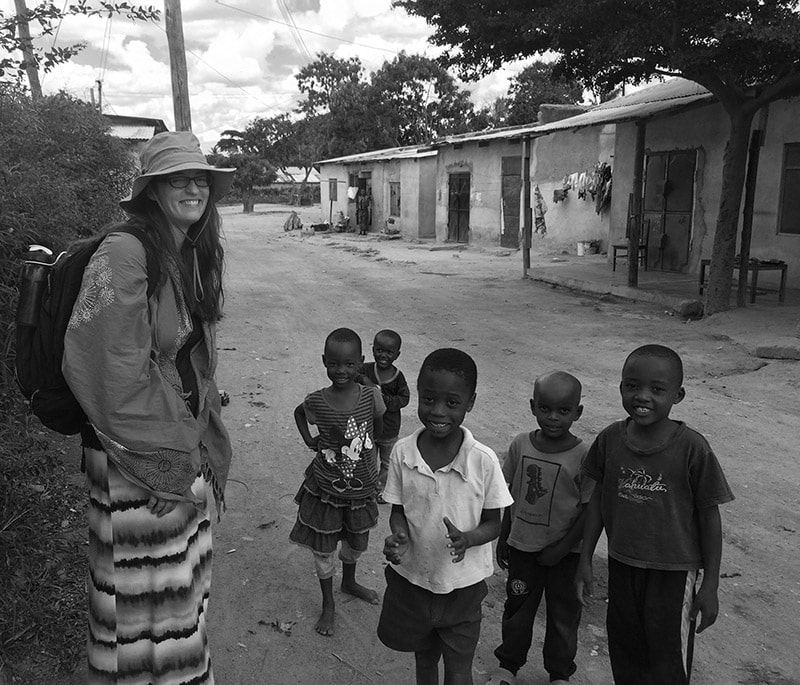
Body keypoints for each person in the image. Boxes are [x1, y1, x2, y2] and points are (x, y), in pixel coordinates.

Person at [62, 130, 235, 684]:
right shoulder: (125, 251)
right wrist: (168, 468)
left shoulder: (184, 251)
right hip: (134, 453)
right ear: (152, 190)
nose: (193, 187)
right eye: (177, 178)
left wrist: (195, 445)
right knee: (141, 609)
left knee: (175, 596)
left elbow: (184, 360)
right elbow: (109, 372)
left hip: (177, 444)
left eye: (200, 178)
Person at [576, 344, 734, 685]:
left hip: (674, 574)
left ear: (677, 395)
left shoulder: (692, 448)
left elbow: (710, 517)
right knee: (625, 652)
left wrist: (710, 584)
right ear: (620, 388)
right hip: (622, 565)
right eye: (632, 386)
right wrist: (585, 558)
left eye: (657, 389)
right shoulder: (610, 440)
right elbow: (597, 505)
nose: (642, 396)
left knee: (667, 663)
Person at [378, 348, 513, 685]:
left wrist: (469, 539)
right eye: (428, 399)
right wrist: (400, 536)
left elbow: (495, 524)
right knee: (425, 662)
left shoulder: (482, 461)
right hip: (415, 581)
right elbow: (398, 511)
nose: (438, 412)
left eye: (452, 403)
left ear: (471, 402)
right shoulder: (403, 452)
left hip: (463, 589)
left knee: (457, 671)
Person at [487, 371, 593, 685]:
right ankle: (508, 665)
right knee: (517, 609)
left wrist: (562, 548)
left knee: (563, 617)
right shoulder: (520, 445)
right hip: (523, 550)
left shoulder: (584, 455)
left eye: (563, 411)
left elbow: (588, 510)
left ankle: (559, 673)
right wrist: (506, 534)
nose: (553, 417)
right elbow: (510, 494)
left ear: (578, 412)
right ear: (533, 406)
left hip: (566, 555)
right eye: (545, 408)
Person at [291, 327, 386, 636]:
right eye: (334, 363)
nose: (341, 370)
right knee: (324, 548)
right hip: (326, 488)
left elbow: (379, 421)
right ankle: (328, 602)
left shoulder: (371, 395)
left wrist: (371, 452)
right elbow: (299, 413)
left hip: (361, 487)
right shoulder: (317, 401)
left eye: (349, 364)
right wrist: (309, 439)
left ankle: (349, 580)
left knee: (356, 541)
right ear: (324, 362)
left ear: (360, 362)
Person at [358, 329, 410, 500]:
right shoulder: (366, 370)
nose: (383, 355)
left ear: (397, 354)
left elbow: (404, 399)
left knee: (387, 464)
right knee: (369, 462)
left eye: (389, 352)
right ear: (373, 349)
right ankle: (369, 488)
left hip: (389, 431)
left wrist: (383, 399)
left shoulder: (397, 377)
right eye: (379, 350)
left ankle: (380, 489)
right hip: (369, 429)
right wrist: (365, 381)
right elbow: (354, 376)